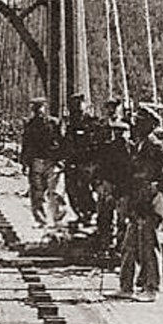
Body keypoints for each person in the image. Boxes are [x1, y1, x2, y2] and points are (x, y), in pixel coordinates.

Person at [117, 106, 163, 301]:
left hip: (150, 202)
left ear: (149, 125)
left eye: (140, 121)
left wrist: (158, 186)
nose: (136, 124)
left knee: (148, 245)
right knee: (129, 245)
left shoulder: (154, 146)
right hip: (138, 199)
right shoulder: (139, 144)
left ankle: (152, 288)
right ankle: (126, 287)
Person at [93, 98, 131, 254]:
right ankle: (104, 243)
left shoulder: (129, 147)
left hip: (122, 184)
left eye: (120, 132)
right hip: (108, 181)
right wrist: (98, 181)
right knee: (104, 215)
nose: (117, 134)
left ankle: (120, 246)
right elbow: (99, 160)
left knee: (122, 217)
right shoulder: (103, 136)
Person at [20, 97, 62, 229]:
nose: (39, 111)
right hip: (36, 161)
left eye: (41, 108)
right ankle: (41, 219)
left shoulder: (54, 123)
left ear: (45, 108)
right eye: (36, 109)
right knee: (37, 192)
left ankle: (58, 219)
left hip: (51, 160)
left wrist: (61, 159)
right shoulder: (30, 124)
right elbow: (25, 144)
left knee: (55, 192)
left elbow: (61, 141)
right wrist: (24, 162)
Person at [62, 92, 98, 230]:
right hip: (72, 163)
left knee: (84, 190)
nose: (75, 111)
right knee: (71, 190)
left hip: (85, 163)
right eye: (73, 108)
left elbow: (94, 143)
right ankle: (80, 214)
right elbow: (66, 142)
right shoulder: (71, 124)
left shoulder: (90, 123)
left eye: (78, 107)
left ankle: (88, 214)